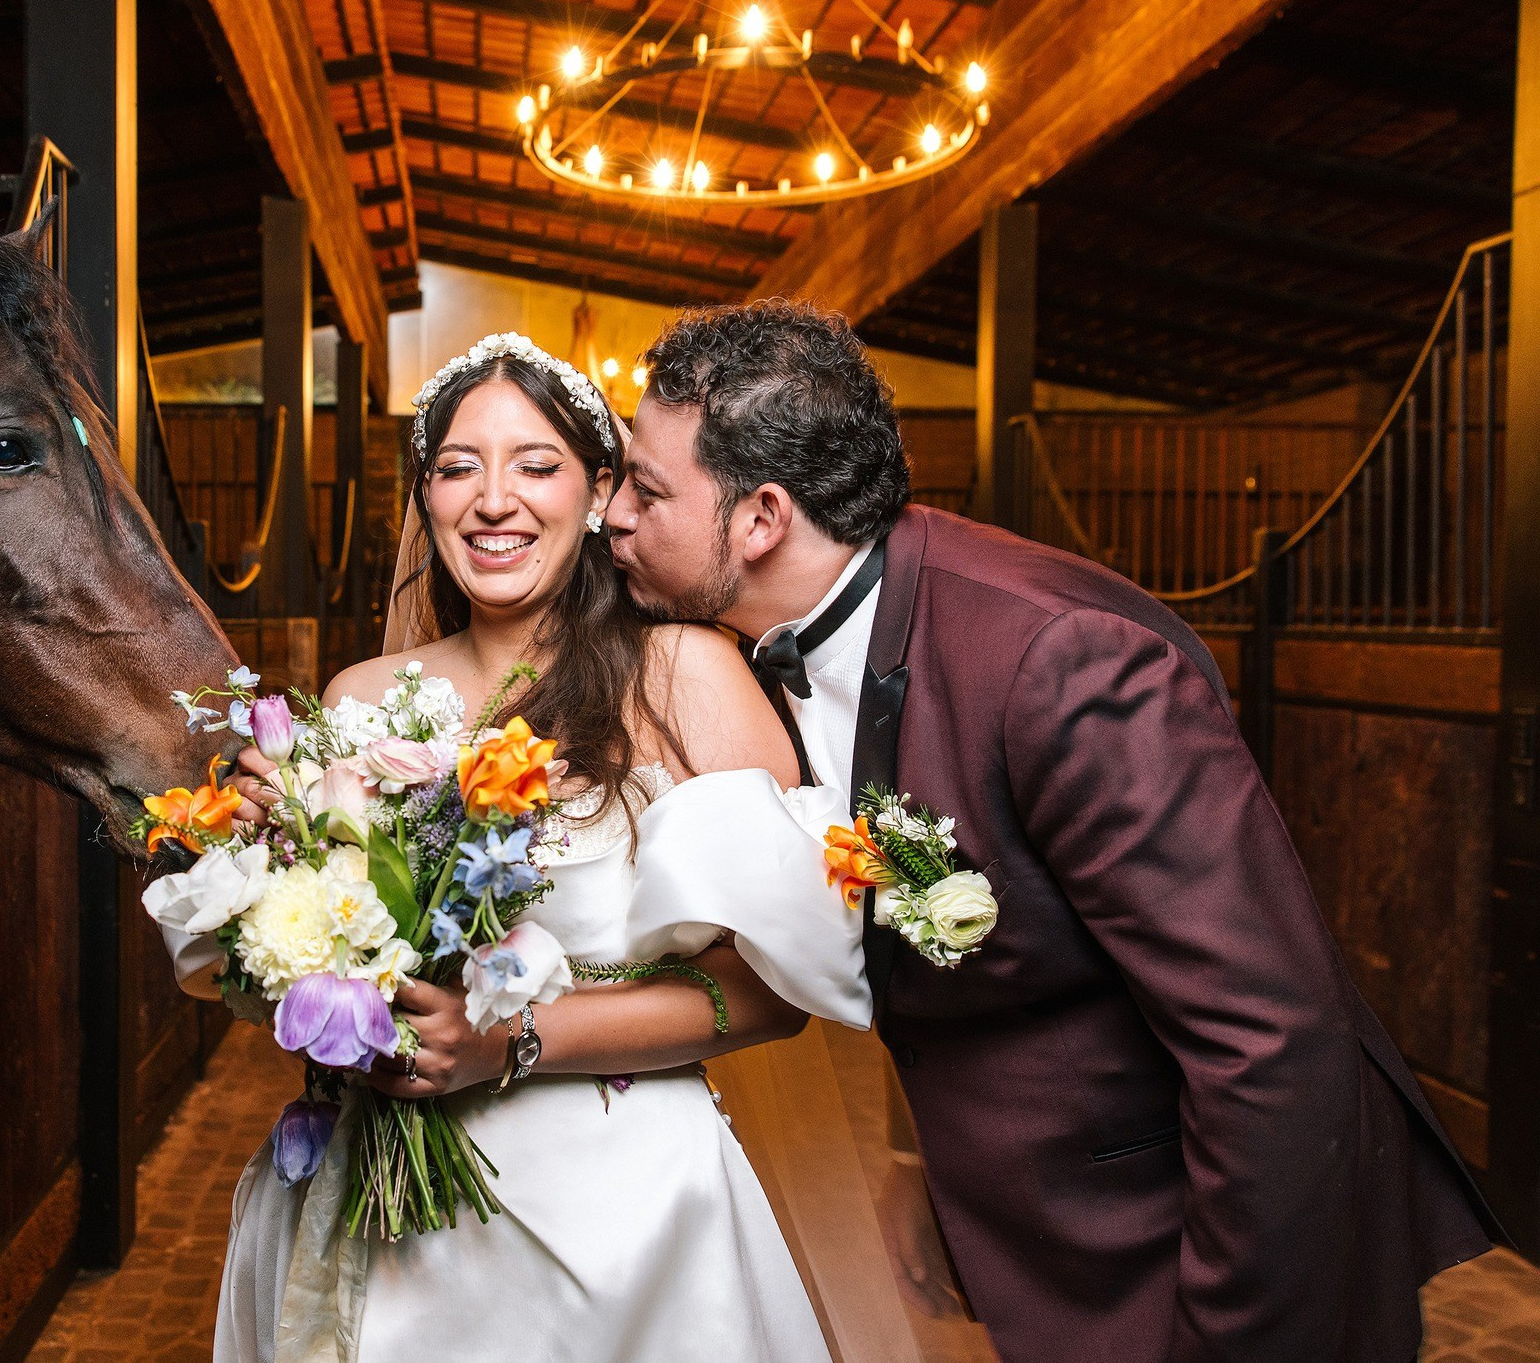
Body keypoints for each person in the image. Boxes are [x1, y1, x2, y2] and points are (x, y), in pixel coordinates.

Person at [603, 298, 1500, 1363]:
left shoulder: (1060, 661)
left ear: (758, 519)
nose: (610, 513)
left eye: (643, 489)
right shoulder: (759, 655)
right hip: (1048, 1235)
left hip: (1215, 1255)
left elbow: (1267, 1045)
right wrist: (917, 1166)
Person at [161, 334, 888, 1363]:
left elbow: (768, 998)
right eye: (457, 468)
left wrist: (509, 1043)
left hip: (627, 1232)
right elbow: (310, 961)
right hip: (374, 1210)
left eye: (534, 466)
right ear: (425, 500)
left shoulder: (686, 677)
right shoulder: (357, 700)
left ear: (600, 491)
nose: (492, 500)